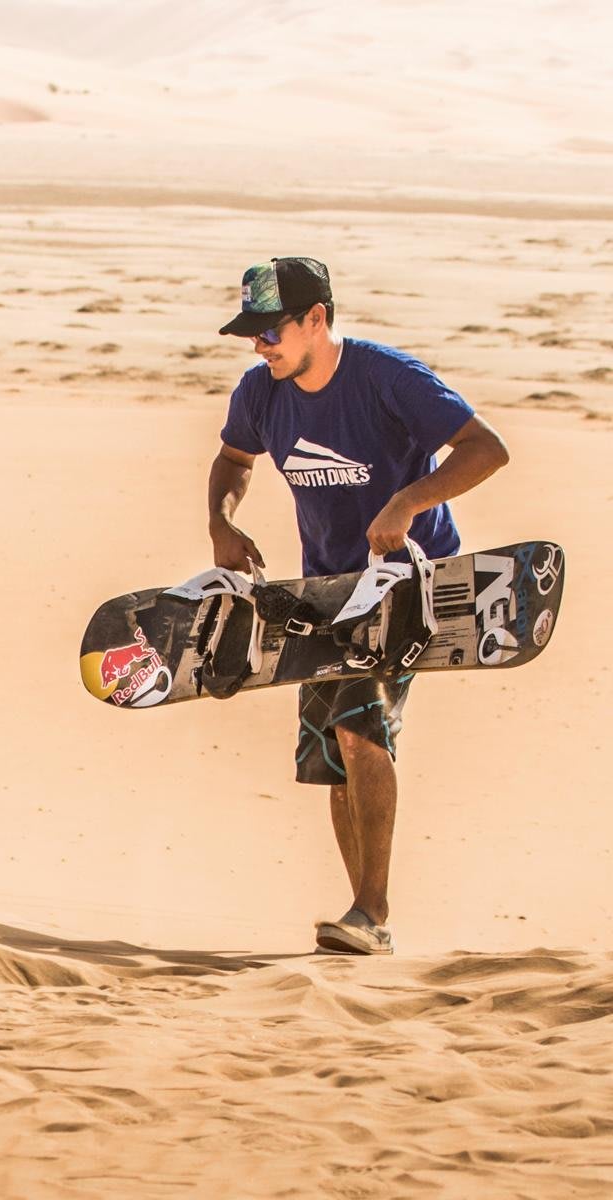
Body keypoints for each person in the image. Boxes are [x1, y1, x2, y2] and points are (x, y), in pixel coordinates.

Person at [206, 257, 509, 955]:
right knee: (329, 760)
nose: (261, 345)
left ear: (317, 319)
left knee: (358, 727)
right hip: (325, 593)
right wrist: (222, 520)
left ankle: (372, 912)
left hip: (408, 583)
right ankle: (362, 918)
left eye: (272, 331)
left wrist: (408, 500)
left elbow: (486, 449)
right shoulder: (261, 393)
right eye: (251, 333)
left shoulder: (386, 377)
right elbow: (233, 460)